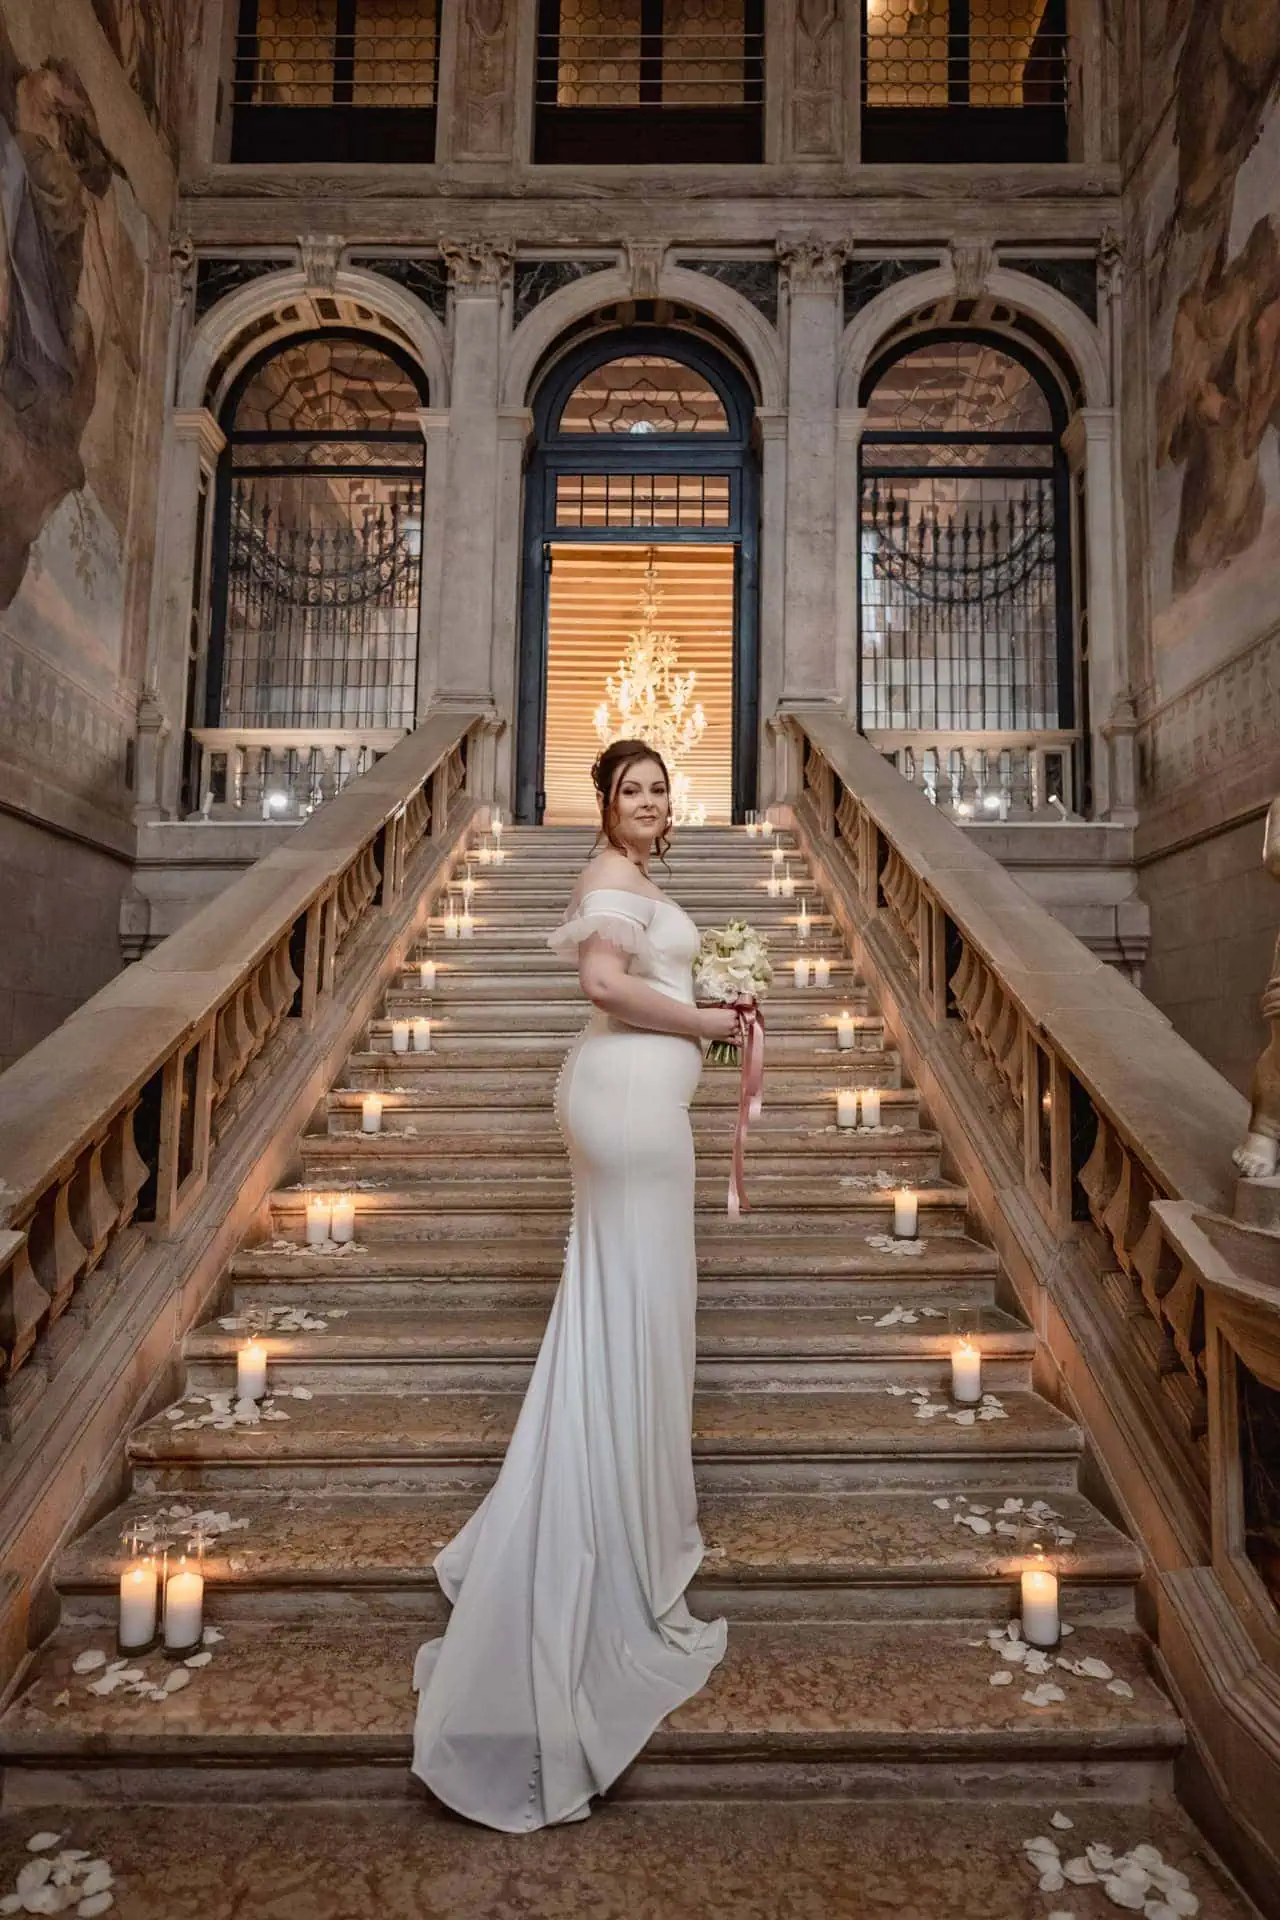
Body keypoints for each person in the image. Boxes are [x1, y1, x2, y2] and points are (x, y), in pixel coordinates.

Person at [411, 738, 742, 1831]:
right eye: (629, 789)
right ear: (603, 803)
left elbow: (642, 982)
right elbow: (602, 983)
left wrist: (718, 1019)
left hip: (636, 1100)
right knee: (635, 1305)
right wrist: (707, 1021)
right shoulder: (607, 875)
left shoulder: (635, 878)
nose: (646, 801)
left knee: (634, 1307)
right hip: (626, 1108)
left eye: (657, 788)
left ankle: (624, 1499)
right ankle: (611, 1524)